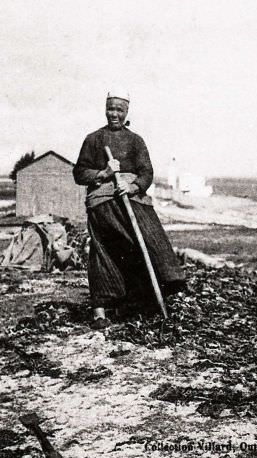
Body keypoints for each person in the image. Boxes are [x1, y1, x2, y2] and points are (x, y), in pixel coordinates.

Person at [73, 91, 186, 326]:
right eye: (110, 109)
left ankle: (155, 297)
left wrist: (133, 186)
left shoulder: (136, 141)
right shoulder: (93, 139)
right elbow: (80, 173)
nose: (114, 114)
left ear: (127, 112)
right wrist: (103, 173)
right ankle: (100, 310)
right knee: (103, 250)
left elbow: (147, 173)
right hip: (102, 202)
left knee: (152, 240)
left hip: (132, 199)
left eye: (119, 110)